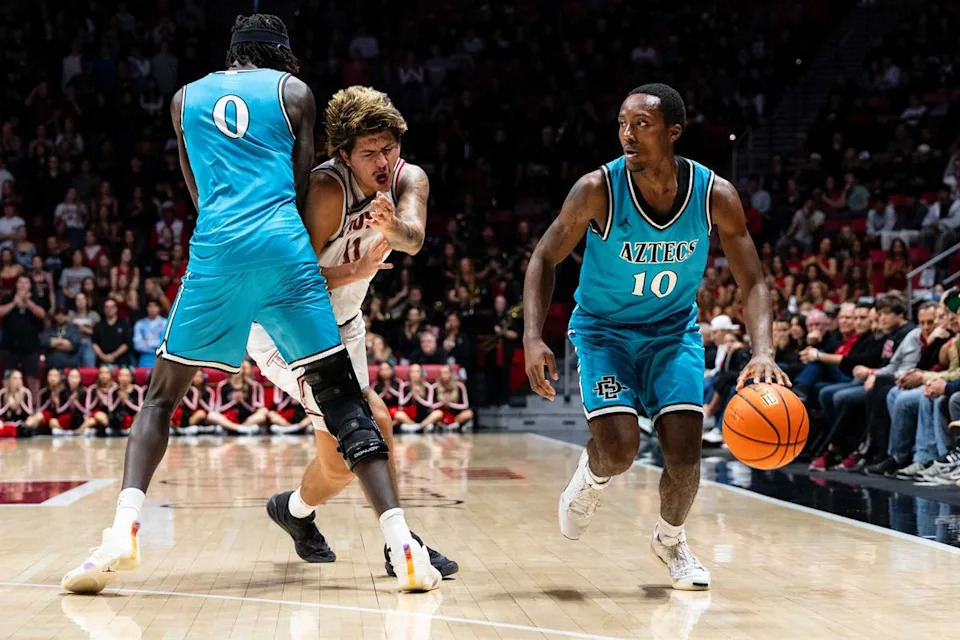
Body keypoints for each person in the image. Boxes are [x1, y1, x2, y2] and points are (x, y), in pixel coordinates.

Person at [63, 16, 440, 595]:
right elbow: (293, 191)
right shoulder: (295, 96)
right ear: (281, 57)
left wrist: (229, 234)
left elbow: (195, 188)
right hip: (286, 259)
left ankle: (121, 531)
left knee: (161, 397)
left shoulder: (184, 97)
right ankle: (400, 543)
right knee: (351, 408)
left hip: (219, 249)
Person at [523, 84, 787, 591]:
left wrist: (764, 351)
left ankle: (670, 541)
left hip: (673, 334)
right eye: (622, 124)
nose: (627, 134)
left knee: (685, 451)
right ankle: (591, 478)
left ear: (673, 132)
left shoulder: (715, 195)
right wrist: (535, 336)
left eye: (640, 125)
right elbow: (543, 257)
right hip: (605, 334)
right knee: (620, 448)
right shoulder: (597, 189)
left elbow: (752, 280)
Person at [245, 85, 456, 579]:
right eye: (369, 152)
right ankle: (398, 542)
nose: (383, 160)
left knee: (340, 463)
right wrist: (355, 270)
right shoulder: (327, 190)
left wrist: (394, 229)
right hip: (285, 328)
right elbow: (286, 282)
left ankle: (293, 511)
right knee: (373, 421)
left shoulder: (410, 178)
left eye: (389, 147)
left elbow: (415, 237)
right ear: (344, 152)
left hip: (343, 326)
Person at [132, 300, 166, 367]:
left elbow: (166, 344)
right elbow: (137, 345)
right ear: (146, 308)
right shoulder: (140, 324)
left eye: (155, 306)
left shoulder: (166, 323)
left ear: (159, 308)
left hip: (162, 359)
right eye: (150, 306)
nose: (152, 309)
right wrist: (157, 344)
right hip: (144, 360)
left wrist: (147, 342)